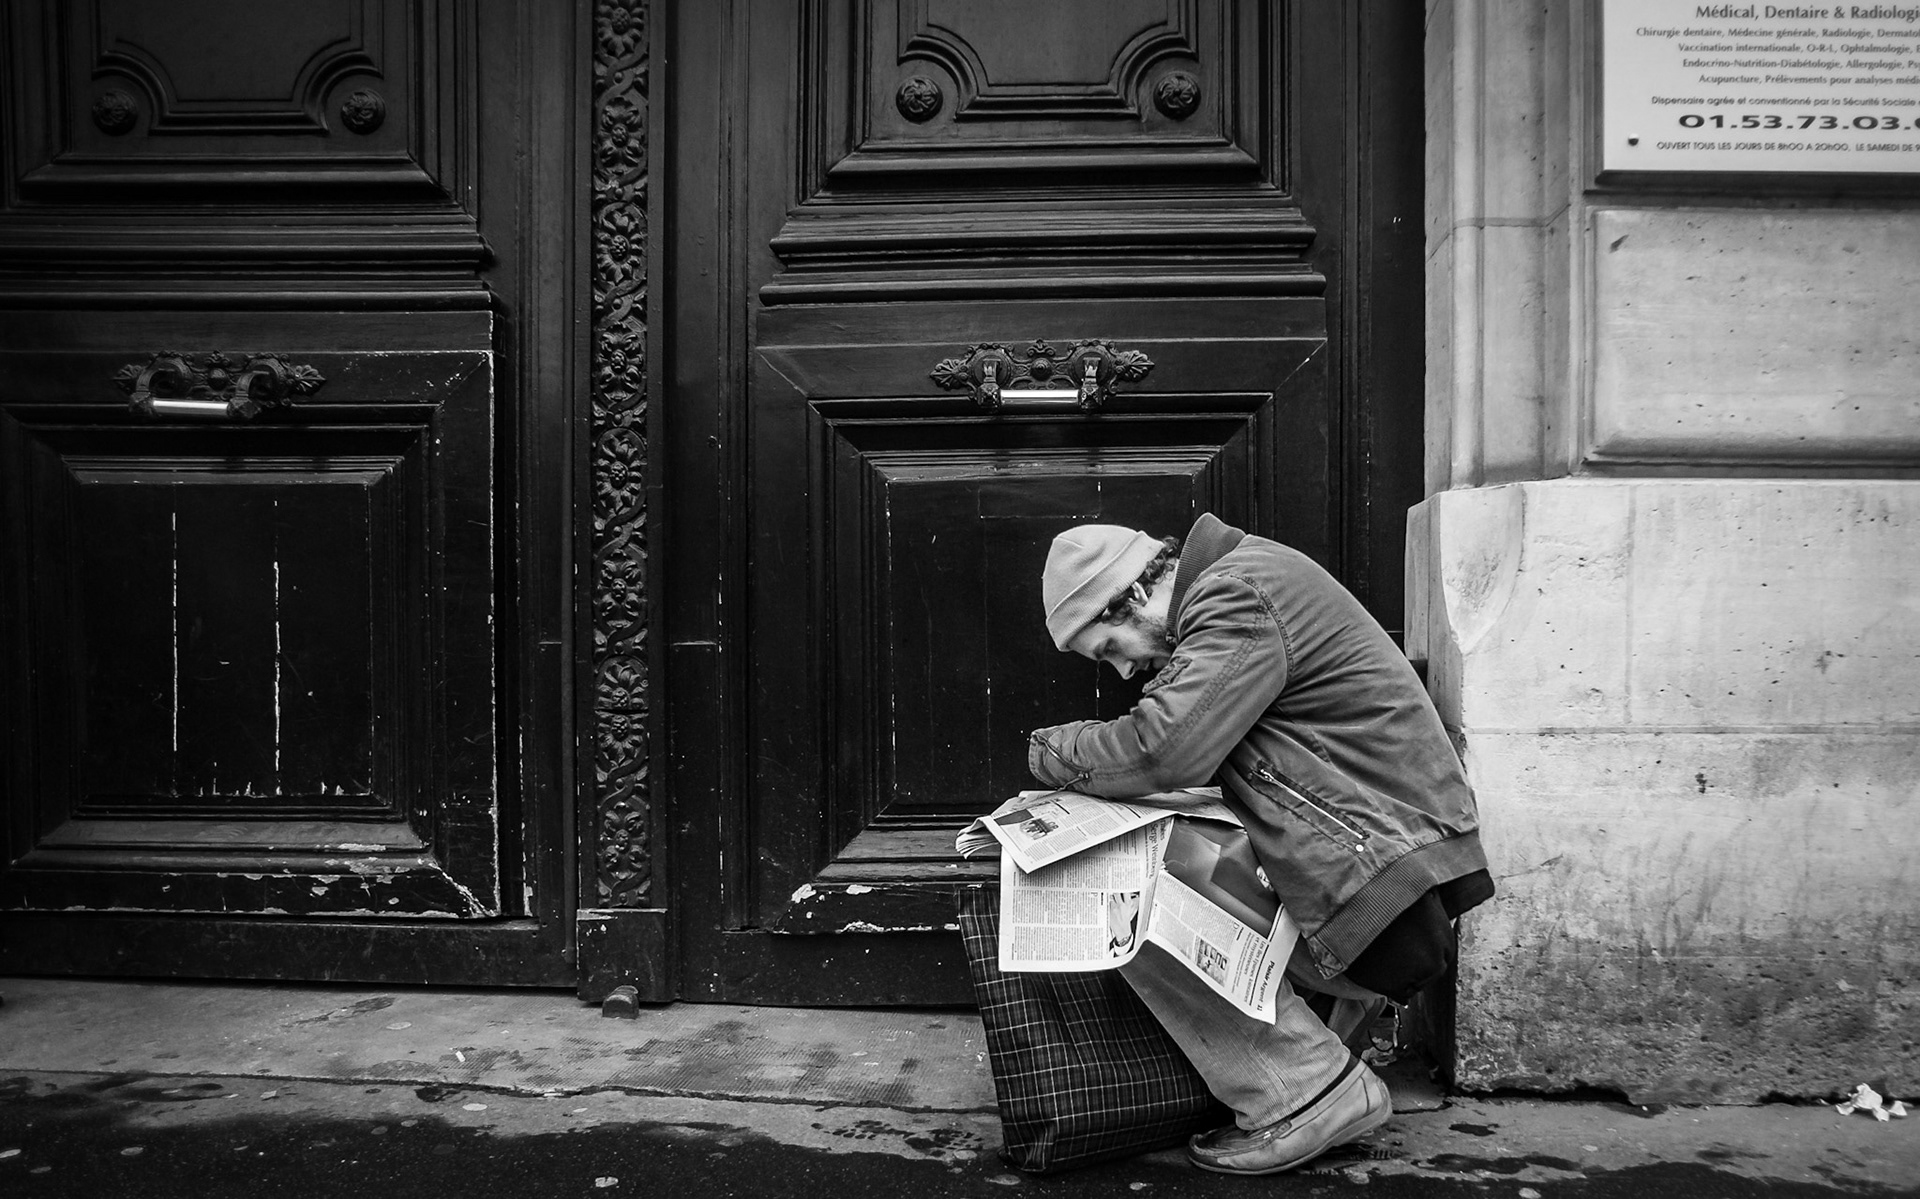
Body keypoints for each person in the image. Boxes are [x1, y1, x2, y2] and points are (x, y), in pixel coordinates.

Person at [1028, 514, 1494, 1175]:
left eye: (1109, 647)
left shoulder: (1238, 595)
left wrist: (1054, 748)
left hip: (1382, 896)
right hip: (1378, 879)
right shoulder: (1232, 598)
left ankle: (1308, 1088)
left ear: (1133, 595)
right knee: (1161, 835)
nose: (1126, 667)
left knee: (1101, 871)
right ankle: (1323, 1037)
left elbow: (1159, 751)